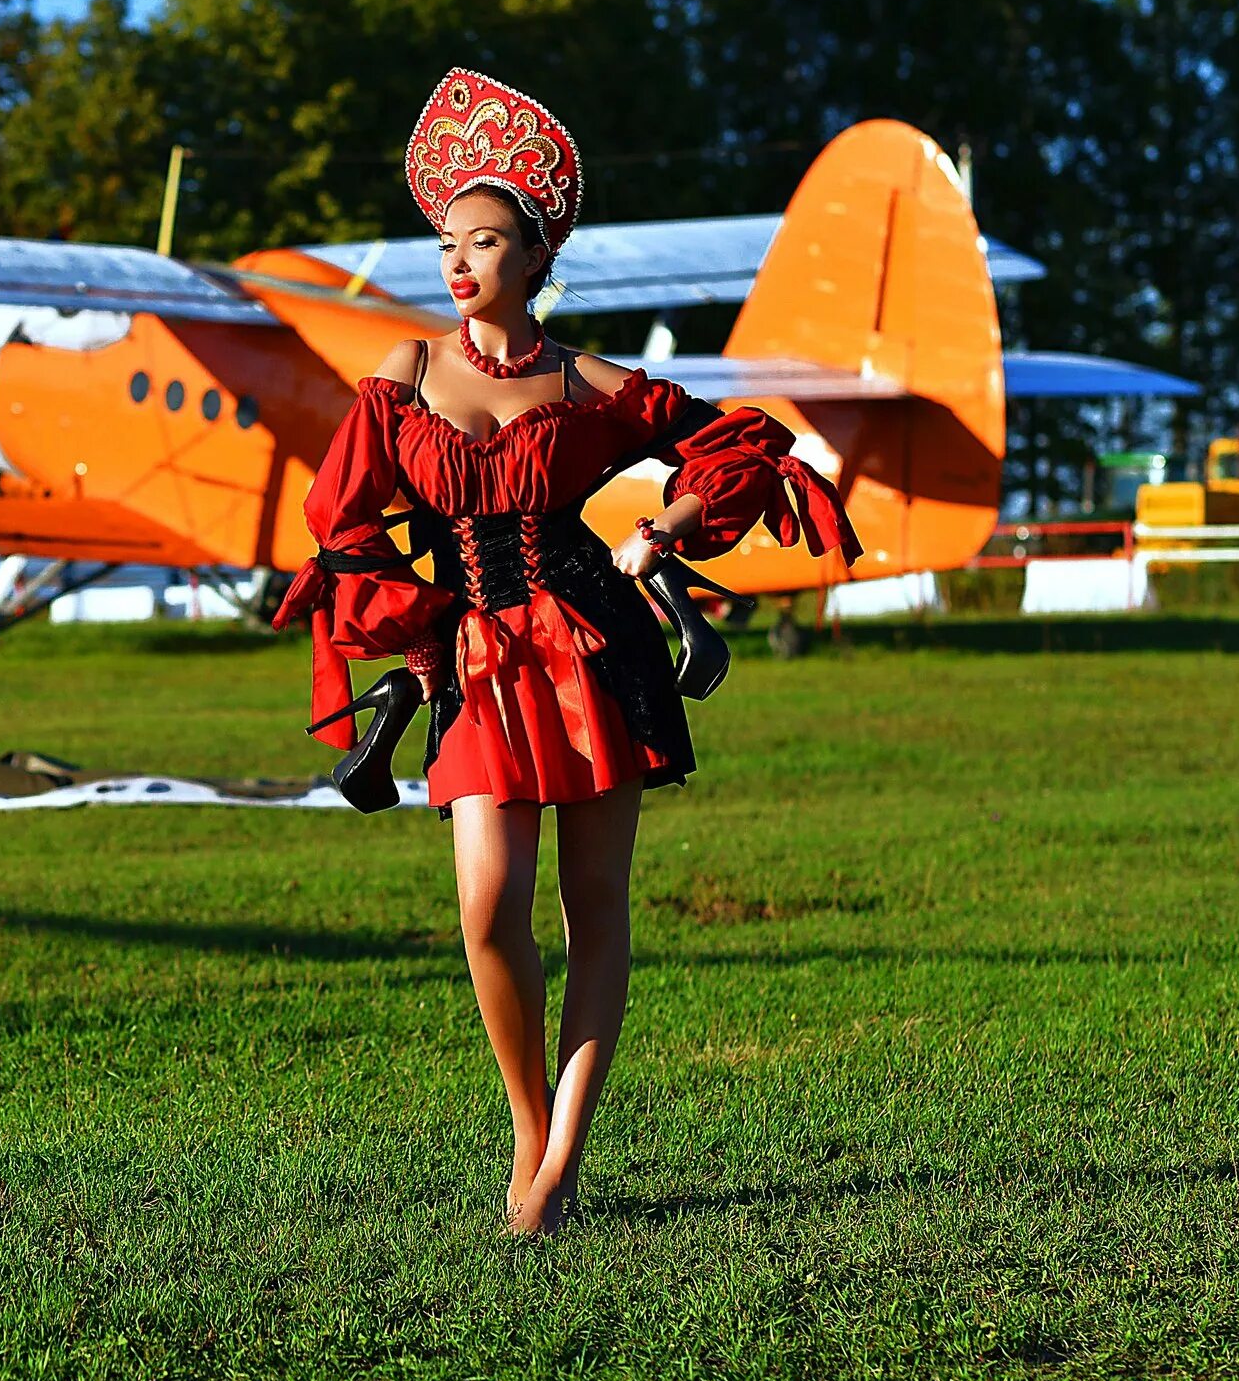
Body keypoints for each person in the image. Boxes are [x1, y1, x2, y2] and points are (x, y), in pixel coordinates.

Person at [272, 69, 860, 1233]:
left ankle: (555, 1170)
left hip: (599, 652)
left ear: (537, 257)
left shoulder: (589, 382)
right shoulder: (401, 373)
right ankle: (527, 1130)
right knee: (488, 908)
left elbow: (744, 447)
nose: (458, 262)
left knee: (596, 906)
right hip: (478, 661)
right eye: (447, 241)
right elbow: (337, 519)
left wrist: (667, 528)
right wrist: (417, 625)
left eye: (484, 241)